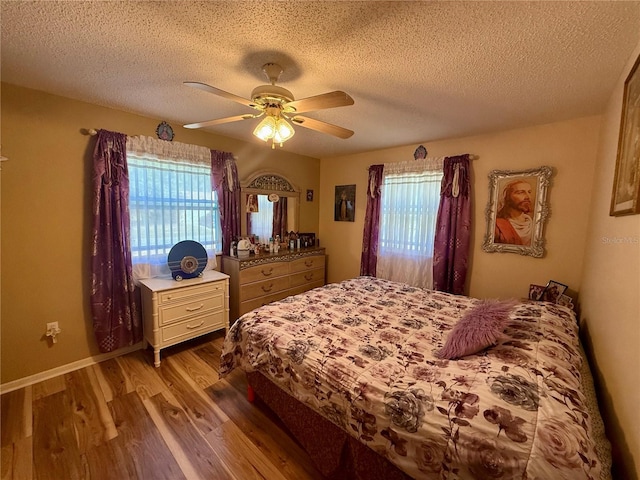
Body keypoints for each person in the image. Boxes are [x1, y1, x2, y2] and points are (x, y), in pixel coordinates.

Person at [494, 179, 534, 246]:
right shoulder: (498, 225)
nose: (528, 197)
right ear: (507, 197)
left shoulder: (534, 223)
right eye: (521, 192)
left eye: (529, 192)